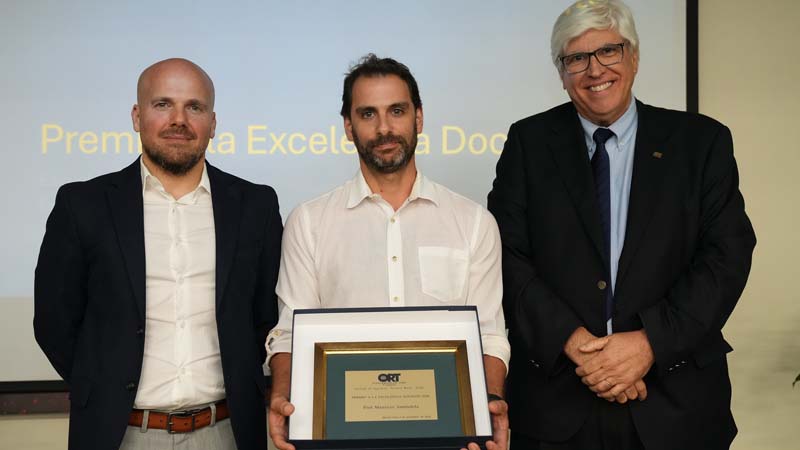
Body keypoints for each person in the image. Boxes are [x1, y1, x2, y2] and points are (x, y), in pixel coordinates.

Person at [487, 1, 756, 449]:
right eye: (576, 58)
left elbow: (726, 257)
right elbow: (505, 257)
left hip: (677, 404)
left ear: (632, 56)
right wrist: (577, 345)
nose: (595, 70)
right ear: (561, 71)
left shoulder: (701, 142)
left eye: (608, 51)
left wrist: (649, 344)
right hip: (558, 407)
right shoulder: (528, 143)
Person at [33, 58, 282, 450]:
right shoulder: (82, 205)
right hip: (121, 434)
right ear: (137, 116)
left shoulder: (256, 206)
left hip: (228, 432)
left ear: (213, 123)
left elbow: (266, 316)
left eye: (194, 107)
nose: (178, 120)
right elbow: (53, 322)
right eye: (162, 104)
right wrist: (102, 387)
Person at [266, 54, 511, 450]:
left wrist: (489, 403)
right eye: (367, 114)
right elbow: (290, 333)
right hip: (341, 439)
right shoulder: (308, 222)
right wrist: (281, 395)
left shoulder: (474, 223)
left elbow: (489, 336)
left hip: (448, 437)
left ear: (419, 118)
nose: (384, 128)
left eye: (397, 111)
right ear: (348, 127)